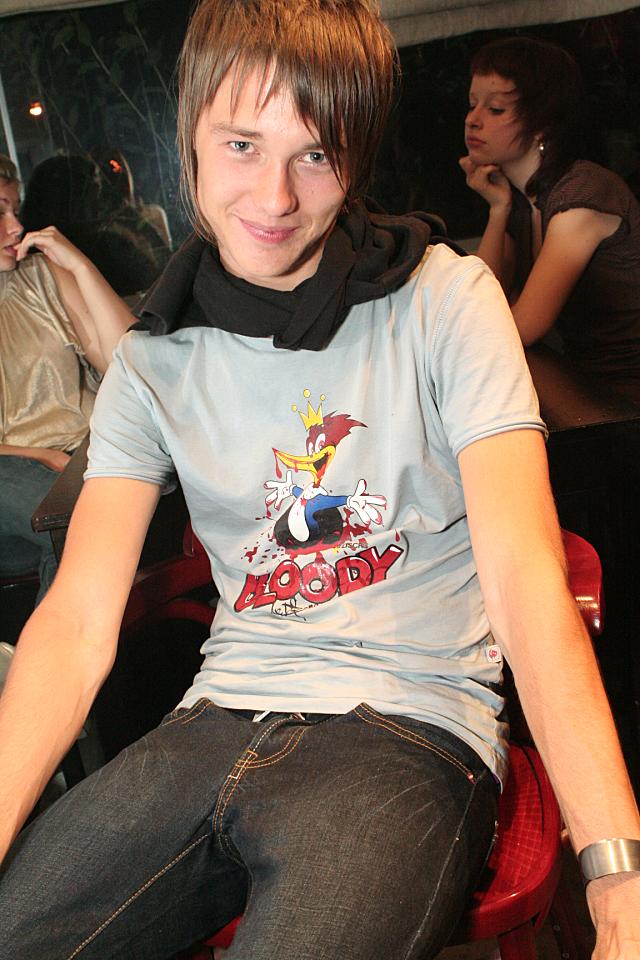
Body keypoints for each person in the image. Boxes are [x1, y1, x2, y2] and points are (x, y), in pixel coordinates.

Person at [0, 4, 639, 958]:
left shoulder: (444, 299)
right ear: (189, 138)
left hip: (410, 725)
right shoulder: (153, 359)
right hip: (213, 719)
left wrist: (618, 875)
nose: (276, 196)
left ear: (358, 153)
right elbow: (75, 622)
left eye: (316, 153)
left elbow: (524, 579)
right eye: (242, 144)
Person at [460, 35, 640, 400]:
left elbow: (525, 328)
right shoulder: (522, 200)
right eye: (472, 104)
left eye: (495, 109)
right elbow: (479, 300)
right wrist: (498, 210)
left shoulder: (582, 194)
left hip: (626, 390)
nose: (472, 120)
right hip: (588, 383)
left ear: (542, 124)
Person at [0, 153, 133, 606]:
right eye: (0, 211)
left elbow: (128, 362)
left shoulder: (42, 274)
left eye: (16, 209)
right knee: (77, 522)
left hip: (87, 458)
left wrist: (79, 266)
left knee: (82, 527)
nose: (17, 227)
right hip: (25, 473)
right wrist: (40, 454)